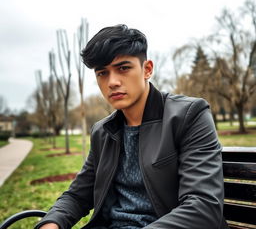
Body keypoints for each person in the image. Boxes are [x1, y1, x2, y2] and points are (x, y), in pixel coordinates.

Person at [35, 24, 227, 229]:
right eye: (102, 73)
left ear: (147, 69)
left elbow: (204, 207)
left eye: (123, 68)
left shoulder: (188, 115)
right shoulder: (103, 132)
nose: (112, 82)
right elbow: (78, 195)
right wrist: (52, 223)